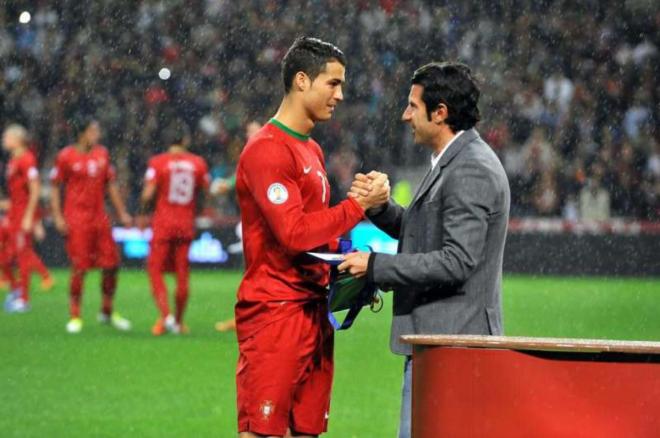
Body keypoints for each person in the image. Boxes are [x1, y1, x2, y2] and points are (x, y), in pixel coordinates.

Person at [339, 62, 510, 438]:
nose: (405, 115)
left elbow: (456, 262)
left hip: (453, 345)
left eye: (413, 106)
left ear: (441, 112)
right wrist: (379, 209)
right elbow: (426, 233)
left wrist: (375, 266)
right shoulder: (454, 161)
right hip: (443, 341)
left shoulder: (470, 168)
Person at [234, 36, 388, 438]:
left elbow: (318, 233)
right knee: (263, 432)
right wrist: (358, 206)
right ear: (302, 80)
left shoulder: (312, 150)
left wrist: (350, 263)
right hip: (275, 311)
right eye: (333, 83)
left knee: (307, 431)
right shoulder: (266, 150)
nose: (340, 95)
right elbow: (293, 234)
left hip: (314, 309)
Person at [50, 116, 133, 334]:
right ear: (82, 133)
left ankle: (106, 311)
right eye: (93, 130)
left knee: (111, 264)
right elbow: (55, 187)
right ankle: (75, 315)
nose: (97, 134)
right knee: (79, 267)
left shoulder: (102, 154)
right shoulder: (66, 156)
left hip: (100, 218)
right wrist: (58, 216)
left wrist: (122, 211)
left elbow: (111, 185)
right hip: (77, 219)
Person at [138, 119, 209, 335]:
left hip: (164, 223)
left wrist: (142, 213)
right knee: (182, 274)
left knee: (155, 270)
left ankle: (166, 315)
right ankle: (178, 322)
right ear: (185, 140)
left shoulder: (158, 162)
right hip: (185, 223)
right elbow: (204, 192)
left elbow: (148, 194)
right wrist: (195, 212)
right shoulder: (198, 163)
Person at [2, 124, 40, 312]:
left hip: (22, 215)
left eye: (6, 137)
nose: (3, 140)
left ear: (17, 139)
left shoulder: (27, 160)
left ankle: (24, 298)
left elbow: (34, 189)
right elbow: (17, 193)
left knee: (23, 256)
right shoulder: (12, 160)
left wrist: (29, 217)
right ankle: (16, 290)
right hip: (13, 214)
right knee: (5, 256)